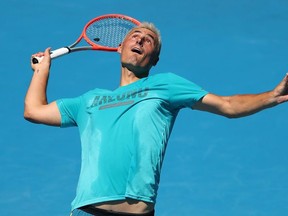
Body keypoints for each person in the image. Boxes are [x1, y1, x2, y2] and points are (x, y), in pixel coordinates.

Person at [24, 22, 288, 216]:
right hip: (86, 211)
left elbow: (228, 105)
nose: (139, 40)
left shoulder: (167, 85)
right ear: (120, 48)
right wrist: (42, 70)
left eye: (148, 40)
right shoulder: (89, 100)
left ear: (155, 58)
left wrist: (272, 96)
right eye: (134, 36)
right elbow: (34, 111)